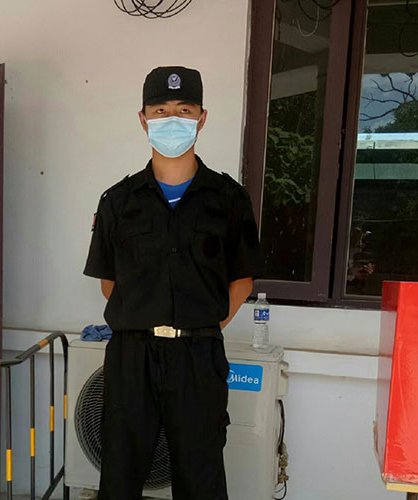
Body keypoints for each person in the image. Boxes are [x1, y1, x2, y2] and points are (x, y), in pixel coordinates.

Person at [83, 66, 265, 500]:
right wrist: (148, 318)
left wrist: (203, 326)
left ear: (202, 118)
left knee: (201, 477)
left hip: (198, 357)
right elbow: (109, 282)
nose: (172, 120)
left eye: (184, 110)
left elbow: (241, 279)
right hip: (132, 355)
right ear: (143, 119)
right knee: (120, 475)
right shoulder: (118, 200)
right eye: (160, 110)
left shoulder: (229, 198)